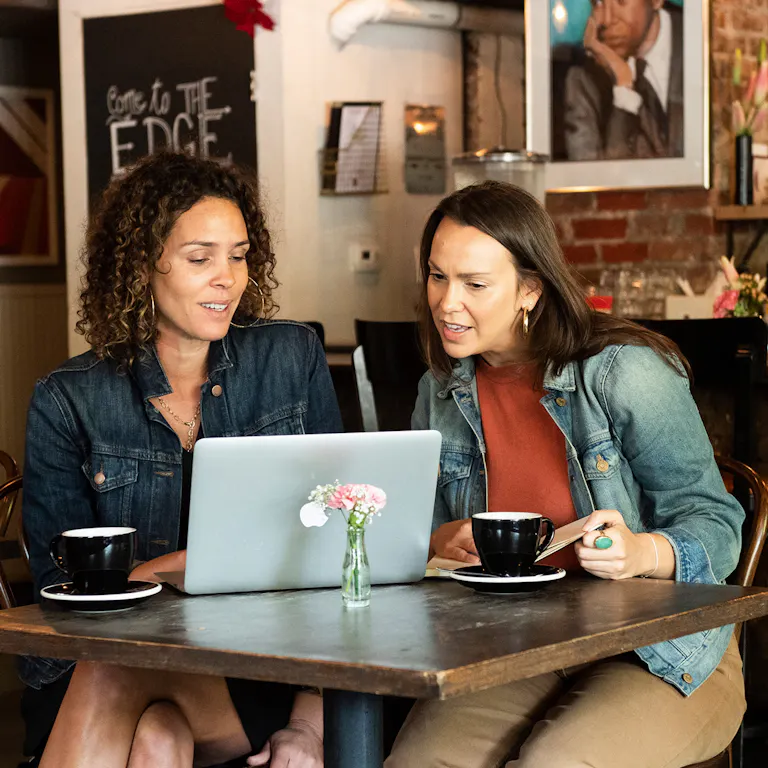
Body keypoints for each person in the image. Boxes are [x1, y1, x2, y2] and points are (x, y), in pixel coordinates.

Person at [385, 180, 746, 768]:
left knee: (554, 762)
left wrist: (641, 553)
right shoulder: (441, 391)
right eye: (437, 275)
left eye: (475, 284)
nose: (448, 303)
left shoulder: (622, 372)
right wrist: (436, 543)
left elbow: (717, 521)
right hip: (515, 647)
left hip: (660, 647)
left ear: (531, 288)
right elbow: (417, 542)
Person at [20, 151, 342, 768]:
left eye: (240, 255)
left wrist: (309, 723)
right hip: (97, 661)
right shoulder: (68, 398)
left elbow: (337, 557)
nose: (228, 278)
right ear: (144, 265)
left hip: (249, 672)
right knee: (157, 738)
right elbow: (59, 593)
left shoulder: (289, 359)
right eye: (201, 258)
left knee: (115, 674)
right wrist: (177, 570)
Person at [562, 0, 683, 161]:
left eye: (621, 2)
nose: (606, 19)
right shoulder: (582, 78)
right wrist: (623, 89)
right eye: (597, 3)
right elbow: (594, 176)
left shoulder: (701, 47)